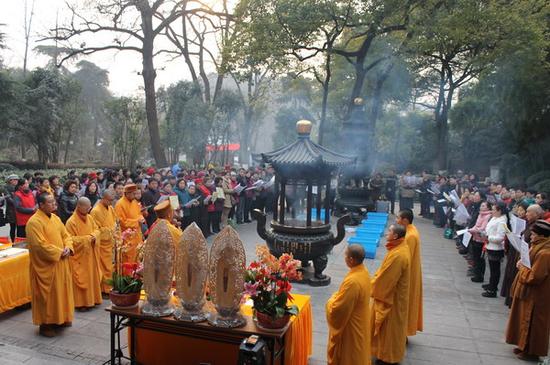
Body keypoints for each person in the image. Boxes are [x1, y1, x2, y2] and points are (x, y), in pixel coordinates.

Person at [26, 193, 74, 337]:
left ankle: (62, 318)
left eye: (54, 202)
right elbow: (39, 246)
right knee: (48, 297)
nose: (54, 204)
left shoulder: (56, 218)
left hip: (61, 263)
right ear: (41, 205)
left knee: (61, 294)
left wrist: (68, 247)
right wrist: (60, 252)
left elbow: (66, 235)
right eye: (50, 202)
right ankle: (46, 324)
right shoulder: (33, 222)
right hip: (46, 266)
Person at [505, 220, 550, 361]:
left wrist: (521, 267)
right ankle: (522, 345)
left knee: (533, 322)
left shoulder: (545, 253)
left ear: (541, 236)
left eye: (534, 234)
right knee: (523, 318)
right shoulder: (537, 246)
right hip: (529, 292)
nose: (531, 236)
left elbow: (535, 276)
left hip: (538, 295)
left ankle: (532, 351)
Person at [370, 224, 411, 365]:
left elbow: (386, 280)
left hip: (392, 298)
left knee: (390, 329)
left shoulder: (398, 255)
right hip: (395, 295)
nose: (387, 234)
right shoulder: (399, 247)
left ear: (395, 236)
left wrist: (369, 287)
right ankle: (384, 353)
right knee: (391, 329)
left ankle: (388, 358)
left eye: (389, 232)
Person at [326, 244, 371, 365]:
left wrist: (331, 301)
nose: (344, 258)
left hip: (351, 325)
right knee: (359, 351)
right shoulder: (363, 271)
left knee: (351, 355)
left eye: (345, 255)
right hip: (362, 320)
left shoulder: (353, 281)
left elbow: (339, 309)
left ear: (351, 259)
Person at [65, 197, 102, 310]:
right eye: (87, 207)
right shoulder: (71, 222)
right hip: (79, 256)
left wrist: (93, 236)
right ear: (79, 206)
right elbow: (70, 239)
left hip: (90, 254)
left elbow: (97, 230)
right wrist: (87, 239)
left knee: (92, 277)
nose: (89, 208)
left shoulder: (90, 218)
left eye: (90, 206)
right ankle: (81, 303)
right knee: (82, 278)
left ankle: (94, 299)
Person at [396, 209, 423, 337]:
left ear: (405, 220)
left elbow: (406, 258)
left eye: (398, 218)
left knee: (405, 303)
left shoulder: (410, 236)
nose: (396, 221)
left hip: (409, 275)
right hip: (413, 272)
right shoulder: (412, 230)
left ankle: (403, 332)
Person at [90, 189, 117, 294]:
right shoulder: (95, 211)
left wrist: (115, 232)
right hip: (102, 244)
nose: (111, 203)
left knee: (111, 266)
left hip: (111, 242)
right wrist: (110, 230)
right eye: (109, 200)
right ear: (103, 198)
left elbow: (115, 222)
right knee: (104, 267)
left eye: (112, 200)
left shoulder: (110, 208)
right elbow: (95, 229)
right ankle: (104, 289)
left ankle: (110, 286)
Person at [482, 202, 508, 298]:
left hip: (496, 248)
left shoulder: (502, 221)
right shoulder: (495, 217)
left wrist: (488, 237)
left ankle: (492, 289)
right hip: (490, 246)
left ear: (499, 211)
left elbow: (500, 238)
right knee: (492, 269)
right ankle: (491, 284)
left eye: (494, 209)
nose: (492, 211)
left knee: (495, 270)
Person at [115, 184, 144, 263]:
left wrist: (141, 217)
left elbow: (138, 214)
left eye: (135, 193)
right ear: (127, 193)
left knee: (137, 257)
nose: (135, 196)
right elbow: (122, 222)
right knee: (127, 260)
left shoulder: (134, 202)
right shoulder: (120, 204)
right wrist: (137, 221)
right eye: (133, 194)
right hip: (127, 238)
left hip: (137, 235)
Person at [468, 201, 492, 283]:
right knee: (476, 257)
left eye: (483, 206)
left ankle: (480, 276)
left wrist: (472, 230)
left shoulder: (488, 216)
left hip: (481, 239)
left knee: (480, 259)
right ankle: (476, 274)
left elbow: (482, 228)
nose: (481, 207)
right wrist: (472, 229)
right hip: (475, 237)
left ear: (488, 208)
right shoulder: (480, 214)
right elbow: (476, 225)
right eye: (481, 206)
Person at [3, 174, 19, 241]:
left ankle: (16, 240)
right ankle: (12, 241)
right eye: (15, 180)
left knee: (17, 227)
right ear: (10, 180)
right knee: (13, 227)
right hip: (11, 210)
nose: (16, 181)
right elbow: (9, 199)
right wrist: (17, 204)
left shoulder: (17, 187)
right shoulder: (6, 188)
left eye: (17, 180)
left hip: (17, 209)